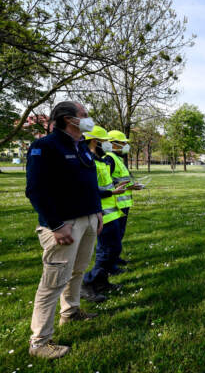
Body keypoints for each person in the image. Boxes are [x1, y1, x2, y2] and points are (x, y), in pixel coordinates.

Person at [25, 101, 103, 359]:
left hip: (88, 219)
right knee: (53, 282)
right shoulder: (44, 146)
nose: (89, 119)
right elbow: (35, 190)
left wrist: (97, 212)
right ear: (70, 119)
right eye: (85, 115)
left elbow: (88, 183)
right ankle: (39, 343)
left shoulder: (82, 146)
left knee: (77, 271)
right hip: (64, 224)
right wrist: (56, 224)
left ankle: (70, 312)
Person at [81, 126, 128, 297]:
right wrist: (111, 192)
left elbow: (105, 184)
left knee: (113, 248)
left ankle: (101, 282)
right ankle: (89, 282)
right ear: (95, 141)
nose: (108, 145)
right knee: (106, 250)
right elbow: (89, 189)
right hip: (102, 213)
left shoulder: (99, 160)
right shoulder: (88, 160)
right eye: (105, 142)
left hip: (112, 212)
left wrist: (116, 187)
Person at [106, 130, 142, 268]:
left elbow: (121, 180)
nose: (126, 146)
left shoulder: (118, 159)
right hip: (114, 204)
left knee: (119, 234)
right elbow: (105, 183)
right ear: (113, 144)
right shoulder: (109, 159)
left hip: (123, 203)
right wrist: (123, 187)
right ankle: (109, 265)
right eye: (123, 143)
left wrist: (132, 186)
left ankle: (115, 258)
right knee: (112, 237)